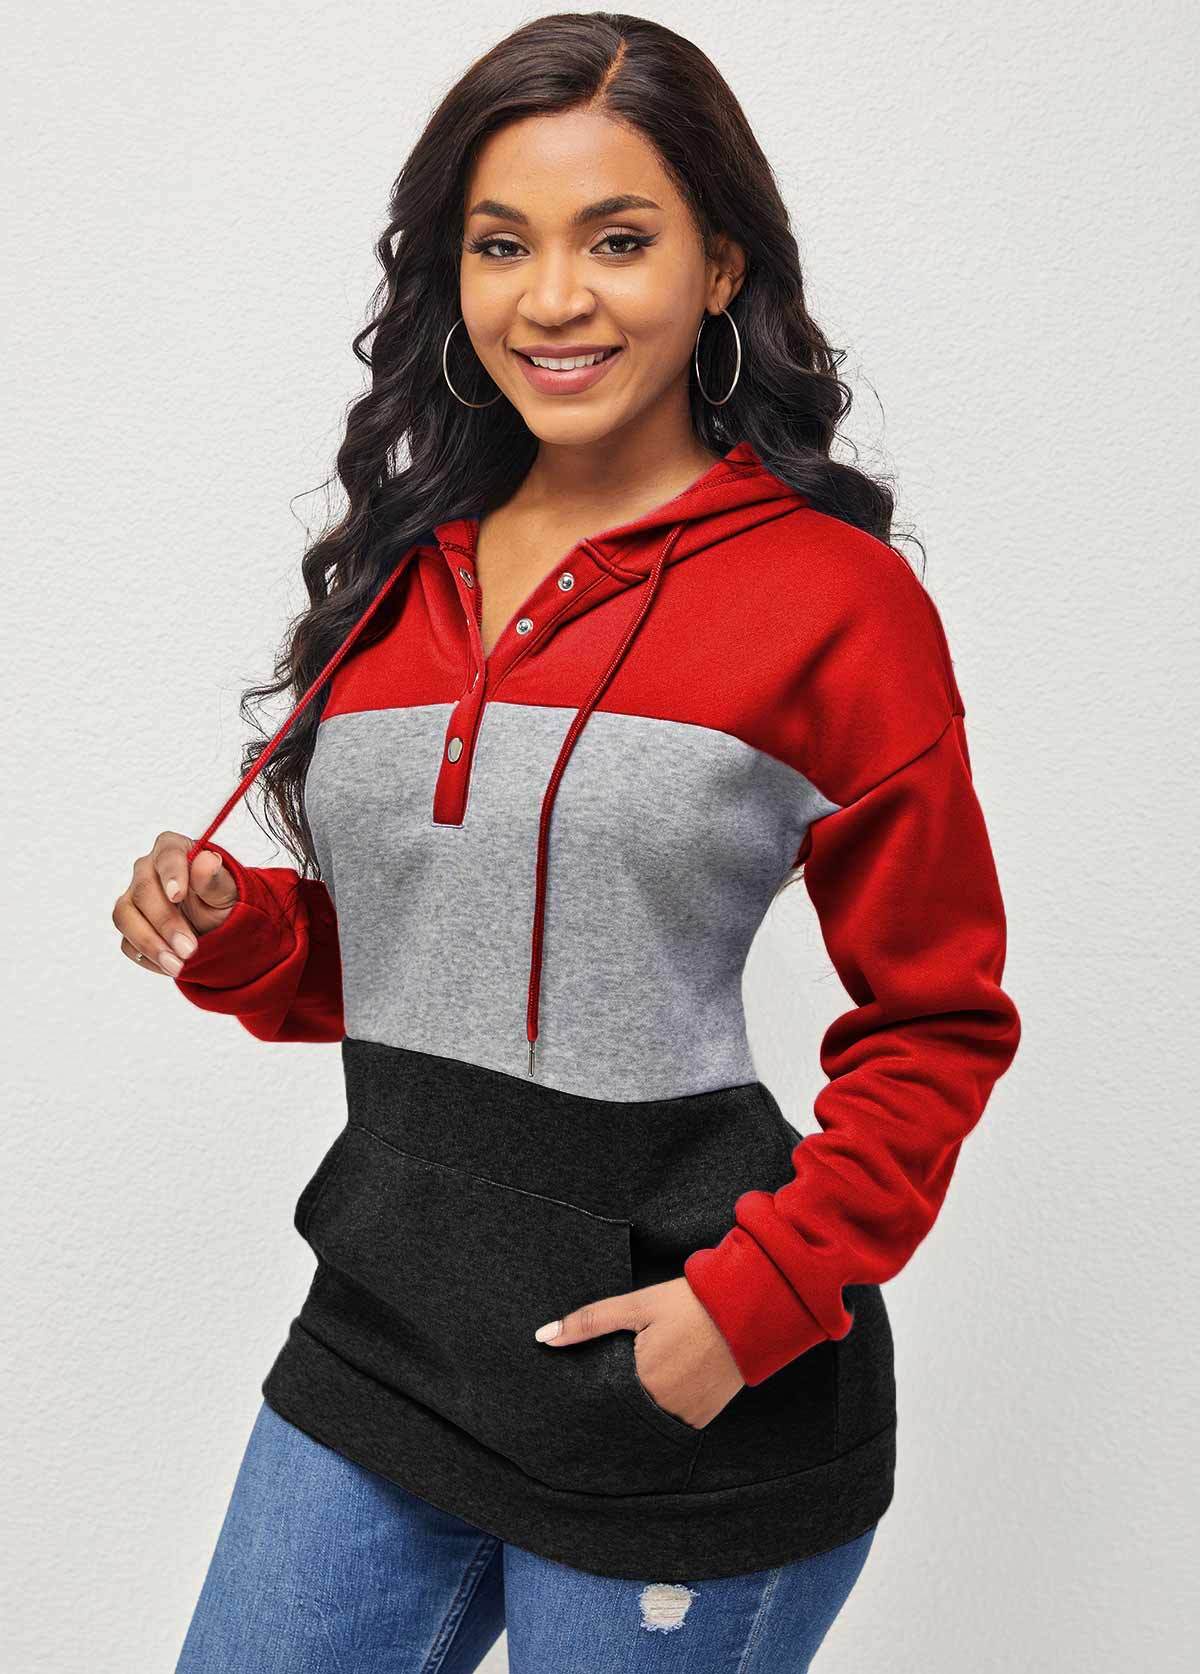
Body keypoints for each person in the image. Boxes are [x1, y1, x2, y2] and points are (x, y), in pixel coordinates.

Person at [112, 13, 1021, 1670]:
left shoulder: (835, 601)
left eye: (617, 239)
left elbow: (939, 1019)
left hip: (680, 1395)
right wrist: (243, 931)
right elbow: (428, 959)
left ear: (721, 263)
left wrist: (750, 1305)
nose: (552, 298)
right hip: (384, 1343)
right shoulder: (403, 574)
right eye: (501, 243)